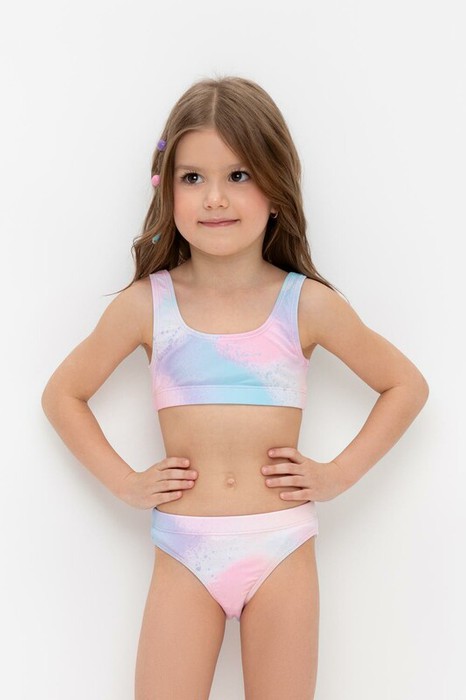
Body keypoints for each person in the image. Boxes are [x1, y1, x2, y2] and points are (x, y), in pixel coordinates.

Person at [41, 75, 429, 700]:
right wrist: (125, 482)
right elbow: (63, 395)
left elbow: (405, 385)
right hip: (184, 550)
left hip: (282, 548)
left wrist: (338, 474)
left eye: (239, 175)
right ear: (166, 189)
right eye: (193, 177)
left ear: (276, 189)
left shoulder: (306, 304)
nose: (215, 197)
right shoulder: (146, 304)